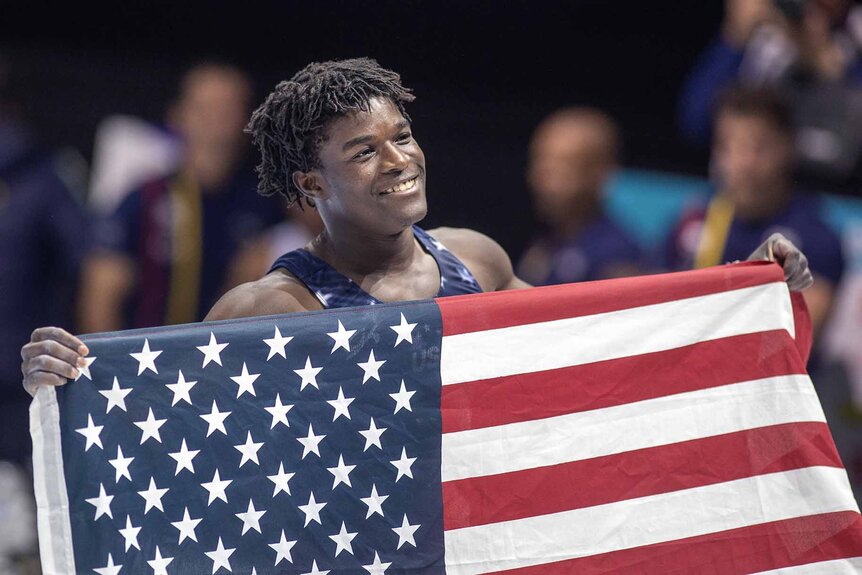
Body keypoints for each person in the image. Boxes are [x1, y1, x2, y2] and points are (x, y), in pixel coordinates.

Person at [21, 58, 814, 395]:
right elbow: (154, 416)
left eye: (401, 135)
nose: (398, 158)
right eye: (363, 151)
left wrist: (738, 294)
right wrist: (65, 375)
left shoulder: (476, 258)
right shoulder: (264, 309)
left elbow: (596, 345)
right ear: (309, 183)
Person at [80, 62, 283, 332]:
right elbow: (100, 295)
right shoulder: (145, 199)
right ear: (177, 114)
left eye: (229, 108)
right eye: (205, 108)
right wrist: (113, 369)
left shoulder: (266, 203)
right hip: (148, 362)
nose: (217, 119)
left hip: (228, 359)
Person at [668, 86, 842, 339]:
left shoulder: (816, 239)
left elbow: (795, 338)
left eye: (759, 147)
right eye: (729, 146)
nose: (744, 162)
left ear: (788, 147)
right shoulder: (694, 221)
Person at [679, 0, 862, 144]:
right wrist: (734, 39)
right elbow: (696, 122)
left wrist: (834, 70)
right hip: (760, 182)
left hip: (836, 186)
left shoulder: (855, 35)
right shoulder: (763, 36)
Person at [517, 107, 641, 286]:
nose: (543, 181)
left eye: (562, 168)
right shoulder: (545, 242)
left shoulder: (617, 258)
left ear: (600, 173)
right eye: (540, 163)